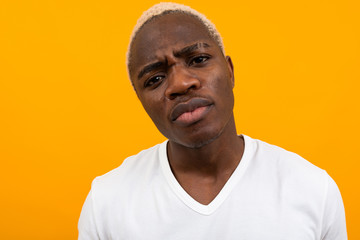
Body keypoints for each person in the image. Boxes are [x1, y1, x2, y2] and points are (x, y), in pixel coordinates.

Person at [78, 2, 347, 239]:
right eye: (155, 79)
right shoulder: (107, 202)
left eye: (198, 59)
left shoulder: (312, 189)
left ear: (229, 72)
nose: (181, 84)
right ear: (141, 101)